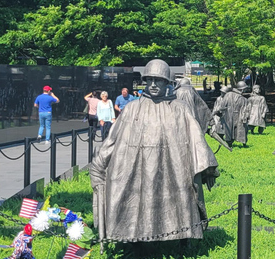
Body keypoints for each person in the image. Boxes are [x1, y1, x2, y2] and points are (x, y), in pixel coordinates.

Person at [89, 59, 219, 243]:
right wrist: (99, 163)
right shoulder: (132, 109)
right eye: (149, 80)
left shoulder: (180, 109)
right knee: (138, 202)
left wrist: (208, 169)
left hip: (173, 169)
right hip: (139, 169)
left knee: (180, 202)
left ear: (167, 82)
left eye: (158, 80)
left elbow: (196, 139)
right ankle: (136, 241)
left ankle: (182, 238)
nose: (153, 84)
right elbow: (113, 139)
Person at [219, 81, 249, 147]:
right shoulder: (243, 100)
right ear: (242, 89)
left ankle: (230, 143)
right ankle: (242, 143)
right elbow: (244, 111)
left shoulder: (228, 95)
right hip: (232, 116)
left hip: (229, 116)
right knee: (237, 129)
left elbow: (222, 106)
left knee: (230, 130)